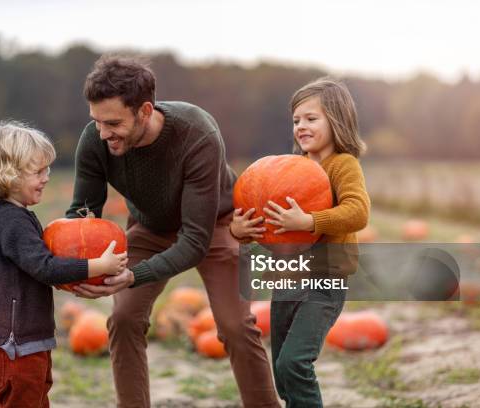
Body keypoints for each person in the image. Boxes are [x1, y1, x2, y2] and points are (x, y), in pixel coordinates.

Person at [66, 56, 280, 408]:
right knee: (123, 318)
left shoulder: (197, 135)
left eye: (113, 123)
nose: (103, 134)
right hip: (149, 228)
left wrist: (135, 275)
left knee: (236, 327)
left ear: (145, 111)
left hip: (214, 225)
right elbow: (82, 214)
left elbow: (195, 241)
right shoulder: (95, 139)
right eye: (97, 122)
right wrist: (75, 266)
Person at [230, 78, 370, 407]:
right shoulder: (292, 171)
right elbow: (277, 233)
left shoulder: (343, 165)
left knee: (294, 363)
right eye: (296, 120)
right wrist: (242, 230)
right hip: (289, 279)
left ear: (336, 120)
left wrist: (309, 221)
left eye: (311, 118)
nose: (301, 126)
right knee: (282, 370)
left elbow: (358, 212)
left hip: (325, 281)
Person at [0, 120, 127, 408]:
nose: (46, 177)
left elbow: (37, 270)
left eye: (47, 169)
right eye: (38, 171)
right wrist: (96, 266)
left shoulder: (18, 215)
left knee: (37, 400)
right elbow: (45, 267)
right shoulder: (11, 220)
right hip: (15, 346)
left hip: (28, 340)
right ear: (10, 174)